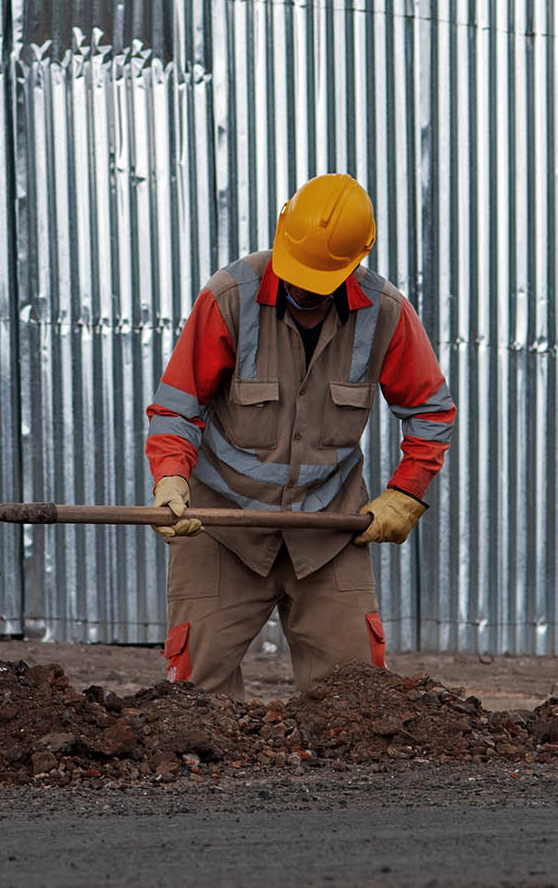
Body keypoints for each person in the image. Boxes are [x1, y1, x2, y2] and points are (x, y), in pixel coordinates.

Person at [144, 173, 456, 699]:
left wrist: (406, 495)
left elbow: (429, 411)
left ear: (357, 260)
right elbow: (178, 407)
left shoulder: (386, 314)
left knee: (357, 705)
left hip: (327, 530)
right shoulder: (230, 298)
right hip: (223, 525)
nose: (304, 289)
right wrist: (171, 479)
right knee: (192, 700)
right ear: (282, 233)